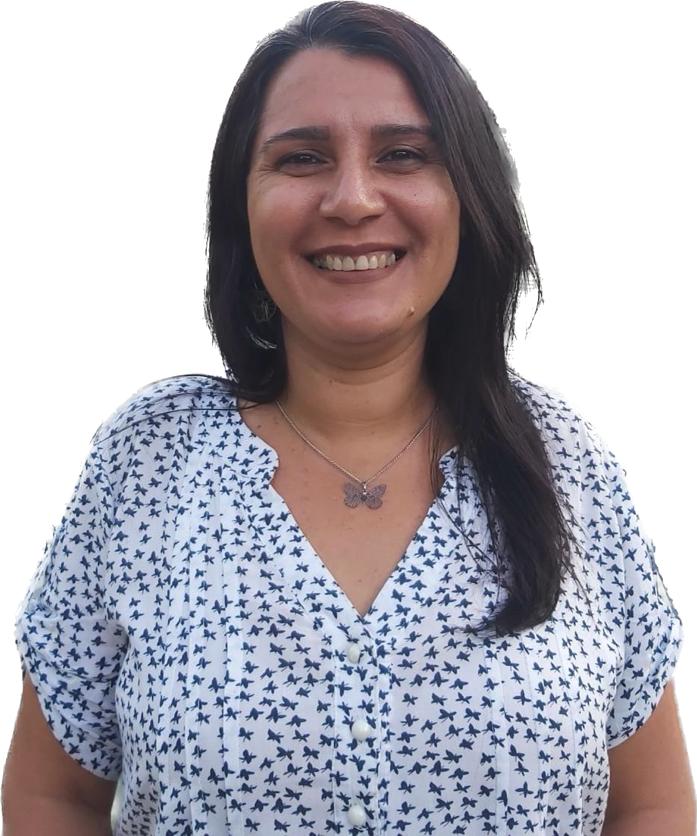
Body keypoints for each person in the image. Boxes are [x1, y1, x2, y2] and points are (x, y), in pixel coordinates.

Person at [2, 2, 694, 834]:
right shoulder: (152, 458)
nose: (353, 199)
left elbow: (651, 803)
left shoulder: (562, 460)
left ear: (468, 195)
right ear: (240, 207)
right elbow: (53, 795)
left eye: (402, 154)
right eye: (301, 158)